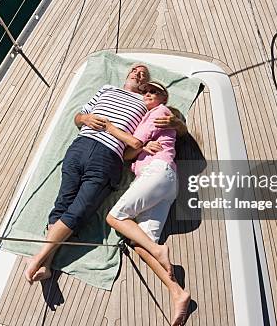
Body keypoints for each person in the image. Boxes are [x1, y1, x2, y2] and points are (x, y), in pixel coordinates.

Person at [24, 64, 185, 283]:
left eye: (144, 76)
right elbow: (79, 116)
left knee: (80, 209)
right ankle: (47, 265)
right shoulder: (107, 89)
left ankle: (38, 259)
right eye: (135, 70)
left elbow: (172, 125)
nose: (139, 74)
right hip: (79, 146)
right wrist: (85, 119)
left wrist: (171, 124)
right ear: (127, 74)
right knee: (62, 203)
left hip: (108, 155)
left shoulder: (146, 105)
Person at [104, 80, 191, 326]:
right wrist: (139, 147)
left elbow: (130, 148)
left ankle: (160, 251)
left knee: (115, 217)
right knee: (140, 244)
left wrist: (137, 146)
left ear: (164, 97)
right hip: (165, 184)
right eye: (146, 92)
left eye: (154, 91)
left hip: (157, 172)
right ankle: (178, 293)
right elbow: (132, 151)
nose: (148, 94)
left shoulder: (159, 113)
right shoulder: (151, 118)